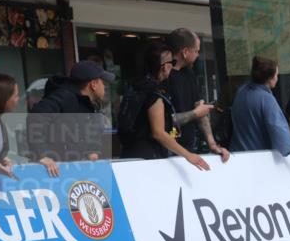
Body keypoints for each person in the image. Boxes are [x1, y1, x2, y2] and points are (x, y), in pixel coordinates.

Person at [119, 41, 210, 171]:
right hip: (148, 158)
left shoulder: (133, 88)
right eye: (172, 62)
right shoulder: (154, 93)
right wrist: (188, 155)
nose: (172, 67)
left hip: (129, 155)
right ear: (164, 67)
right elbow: (158, 133)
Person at [229, 56, 290, 167]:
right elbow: (278, 129)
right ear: (270, 78)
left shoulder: (241, 91)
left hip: (237, 155)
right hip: (258, 158)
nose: (277, 78)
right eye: (276, 75)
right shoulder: (266, 99)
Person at [27, 60, 111, 176]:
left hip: (72, 169)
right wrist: (42, 155)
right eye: (103, 83)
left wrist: (91, 151)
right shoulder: (65, 97)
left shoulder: (87, 103)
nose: (105, 87)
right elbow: (36, 117)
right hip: (54, 171)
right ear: (94, 84)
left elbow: (85, 132)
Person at [166, 28, 229, 163]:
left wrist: (212, 144)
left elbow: (201, 113)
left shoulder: (189, 74)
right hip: (169, 153)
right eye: (196, 51)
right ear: (185, 52)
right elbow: (165, 121)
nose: (198, 55)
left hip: (190, 149)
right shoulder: (165, 77)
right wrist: (196, 112)